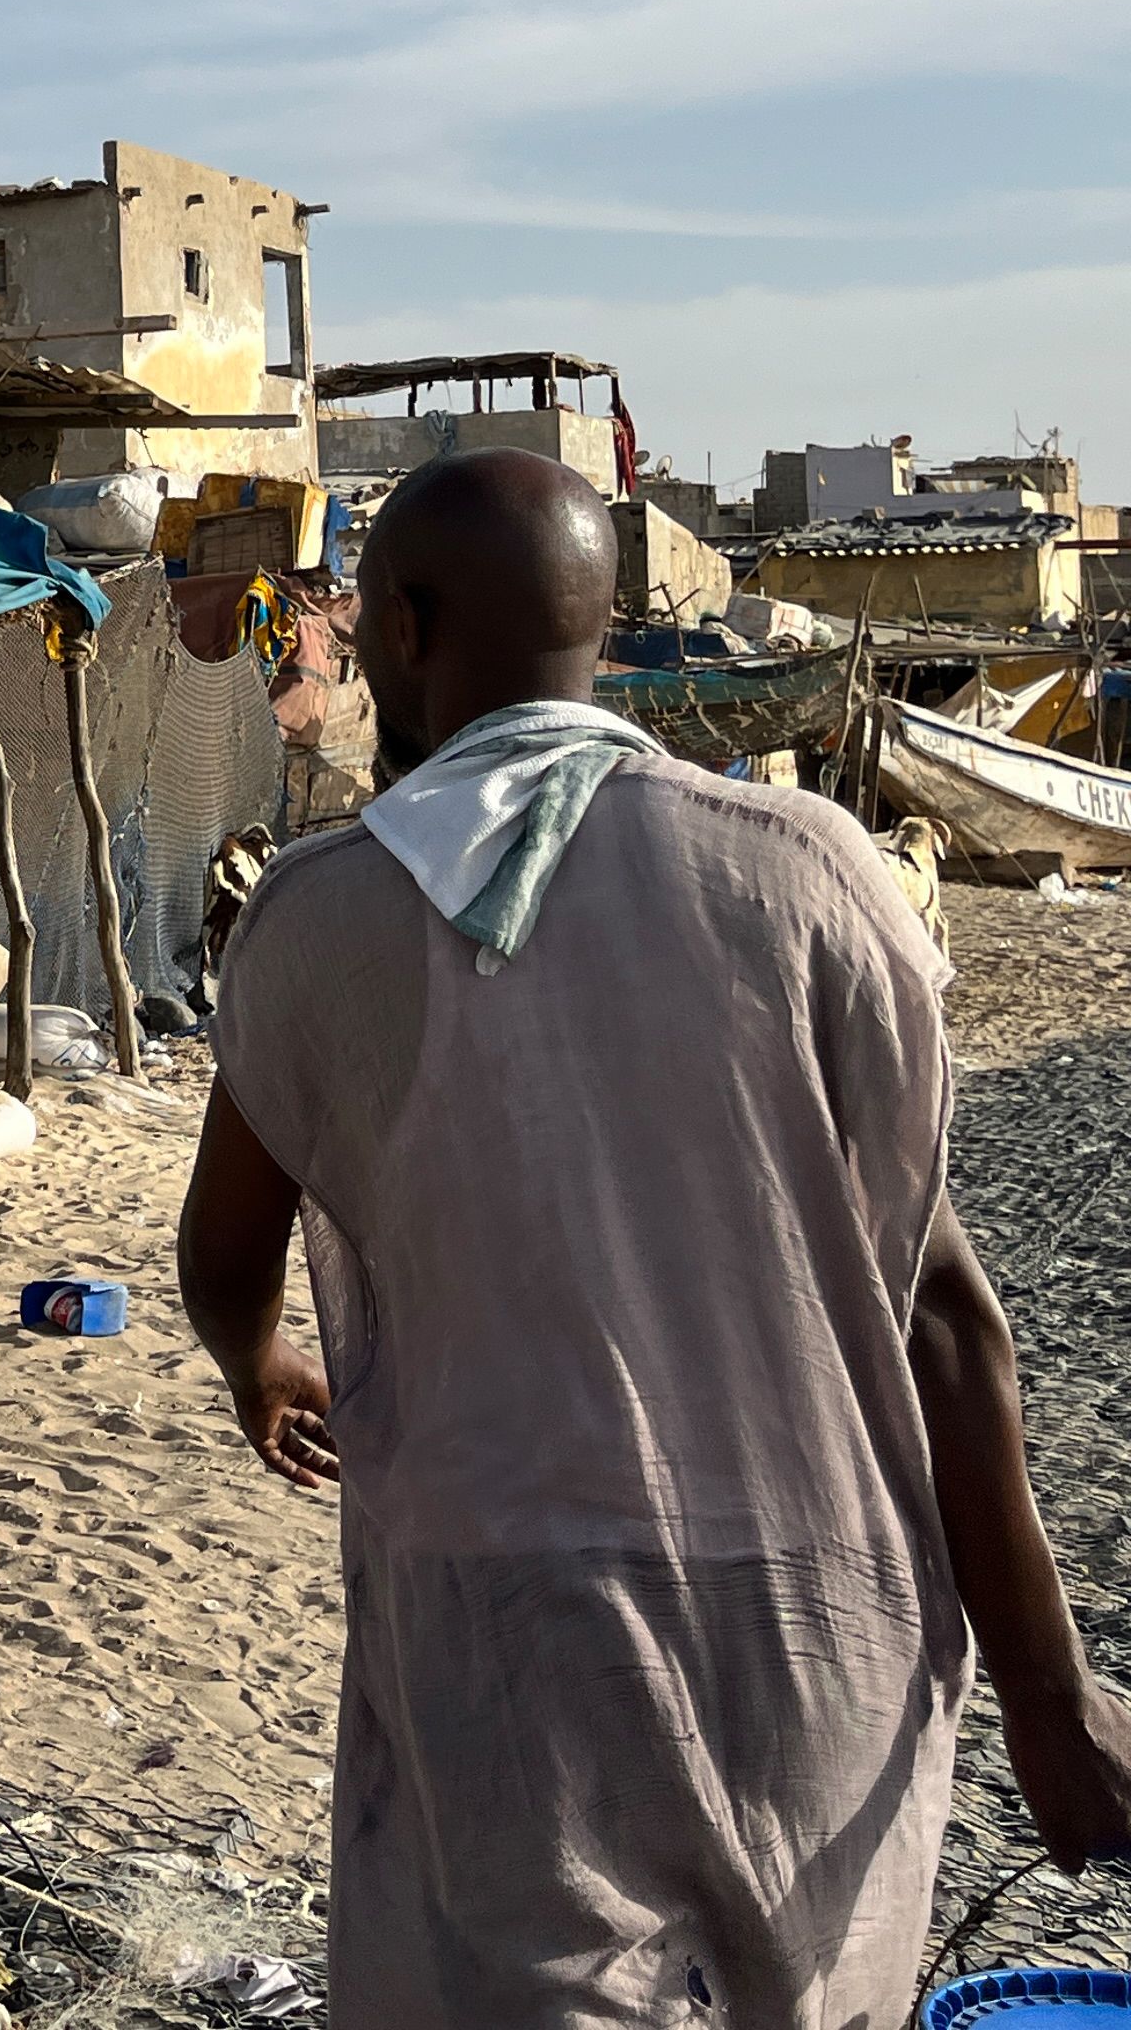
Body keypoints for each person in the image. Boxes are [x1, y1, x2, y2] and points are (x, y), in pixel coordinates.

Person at [180, 449, 1131, 2023]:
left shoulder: (319, 916)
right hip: (822, 1622)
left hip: (508, 1644)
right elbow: (946, 1316)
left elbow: (224, 1262)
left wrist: (258, 1362)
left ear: (406, 627)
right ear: (603, 626)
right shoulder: (814, 874)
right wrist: (1051, 1694)